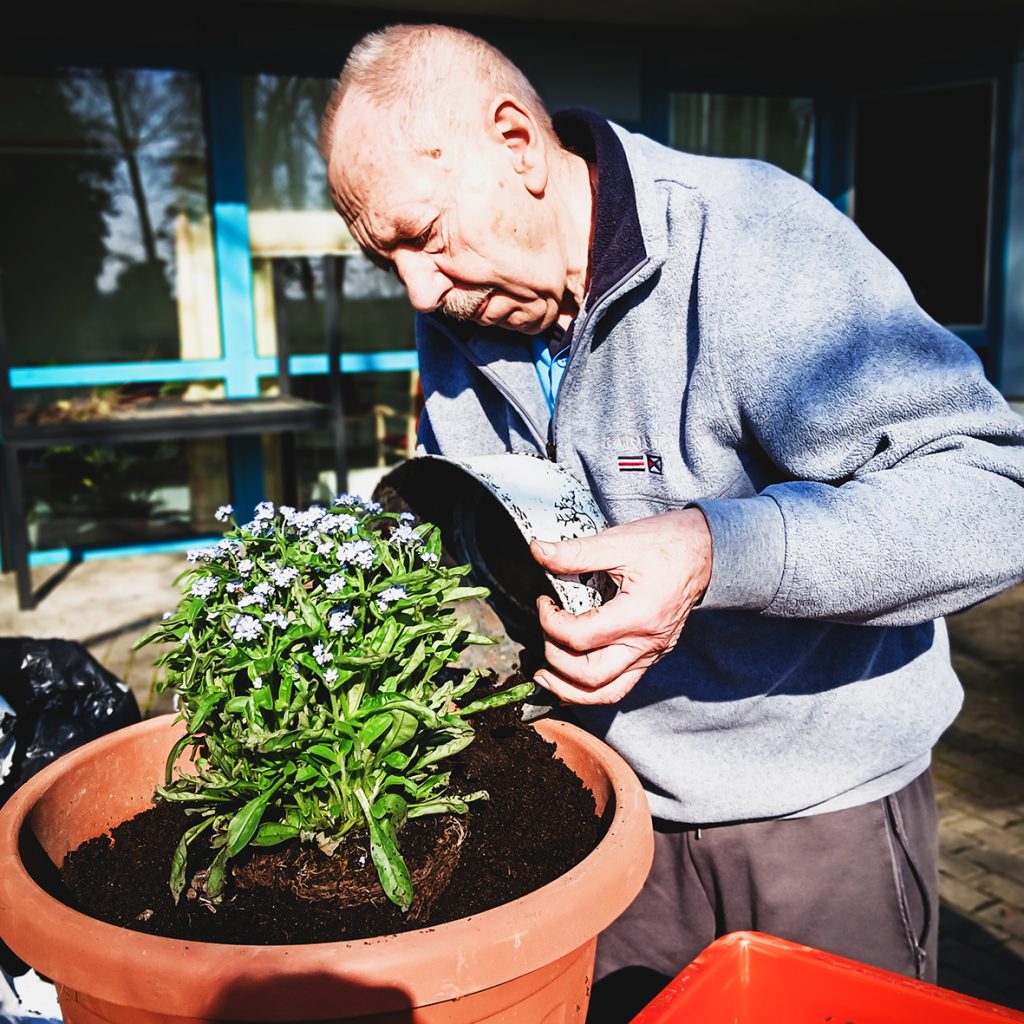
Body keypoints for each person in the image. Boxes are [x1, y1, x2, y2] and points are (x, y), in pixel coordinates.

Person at [319, 23, 1024, 1021]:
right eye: (384, 257)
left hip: (809, 820)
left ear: (515, 141)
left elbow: (991, 497)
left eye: (422, 234)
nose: (418, 290)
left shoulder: (750, 237)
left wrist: (714, 547)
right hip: (603, 811)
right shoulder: (467, 308)